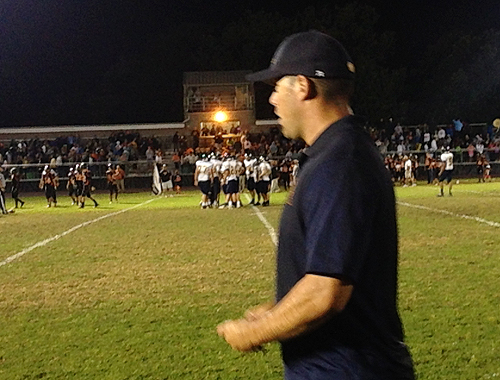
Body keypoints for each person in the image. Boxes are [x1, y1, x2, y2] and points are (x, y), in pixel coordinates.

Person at [216, 30, 415, 380]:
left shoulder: (340, 161)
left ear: (303, 87)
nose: (273, 100)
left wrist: (251, 333)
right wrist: (277, 314)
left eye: (277, 87)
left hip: (347, 370)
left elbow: (326, 290)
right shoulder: (335, 152)